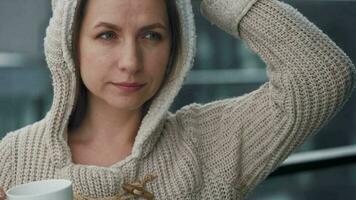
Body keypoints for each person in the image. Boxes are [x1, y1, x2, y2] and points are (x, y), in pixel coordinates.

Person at [0, 0, 355, 199]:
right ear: (69, 43)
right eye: (107, 35)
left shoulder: (211, 143)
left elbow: (321, 76)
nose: (131, 62)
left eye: (152, 36)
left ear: (175, 47)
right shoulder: (11, 158)